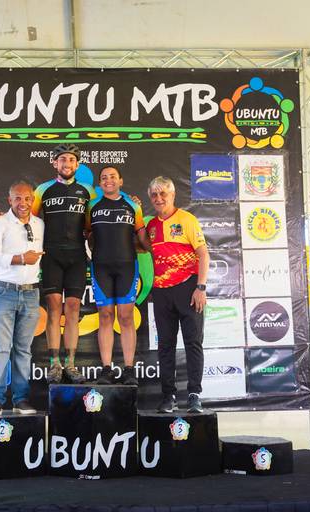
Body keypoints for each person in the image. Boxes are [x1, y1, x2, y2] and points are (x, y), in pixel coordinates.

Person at [32, 143, 95, 384]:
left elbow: (92, 223)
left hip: (77, 256)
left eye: (70, 160)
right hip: (52, 256)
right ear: (54, 163)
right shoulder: (43, 189)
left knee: (73, 309)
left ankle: (70, 364)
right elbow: (29, 220)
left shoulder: (88, 191)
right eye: (62, 159)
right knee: (54, 308)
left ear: (77, 165)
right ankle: (54, 364)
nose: (66, 164)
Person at [146, 176, 209, 413]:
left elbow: (203, 254)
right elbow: (139, 245)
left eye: (163, 194)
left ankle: (194, 395)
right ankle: (168, 396)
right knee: (165, 345)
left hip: (188, 289)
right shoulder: (151, 225)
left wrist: (200, 287)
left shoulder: (187, 219)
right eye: (154, 195)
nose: (159, 198)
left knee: (193, 342)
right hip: (161, 292)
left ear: (172, 195)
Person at [0, 180, 45, 416]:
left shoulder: (40, 224)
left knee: (23, 350)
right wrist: (20, 258)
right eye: (17, 198)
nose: (23, 203)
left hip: (31, 292)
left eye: (27, 198)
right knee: (1, 348)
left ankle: (21, 400)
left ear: (33, 200)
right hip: (4, 292)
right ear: (10, 200)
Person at [86, 166, 151, 385]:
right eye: (104, 178)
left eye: (113, 177)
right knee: (105, 316)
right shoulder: (92, 206)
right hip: (101, 267)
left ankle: (129, 369)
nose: (108, 180)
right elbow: (86, 234)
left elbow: (143, 236)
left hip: (127, 266)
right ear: (100, 183)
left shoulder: (133, 205)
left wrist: (157, 251)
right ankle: (106, 369)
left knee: (125, 317)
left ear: (121, 181)